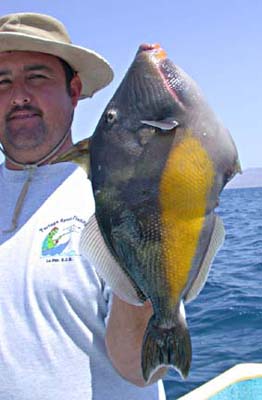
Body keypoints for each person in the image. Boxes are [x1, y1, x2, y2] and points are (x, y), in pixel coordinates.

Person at [0, 12, 167, 400]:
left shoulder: (117, 193)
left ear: (74, 90)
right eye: (2, 82)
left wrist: (143, 258)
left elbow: (145, 369)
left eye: (36, 77)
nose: (18, 95)